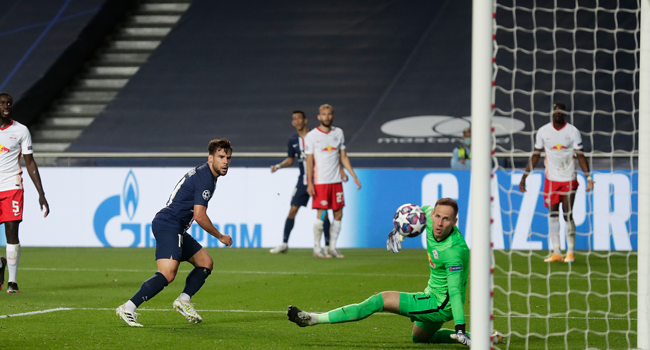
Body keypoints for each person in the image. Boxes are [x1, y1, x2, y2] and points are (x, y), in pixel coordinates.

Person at [288, 198, 503, 346]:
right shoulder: (428, 215)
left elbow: (456, 293)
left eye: (446, 219)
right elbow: (412, 218)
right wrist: (398, 232)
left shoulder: (455, 251)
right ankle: (484, 340)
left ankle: (313, 319)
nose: (439, 222)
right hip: (432, 294)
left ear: (455, 222)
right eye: (437, 216)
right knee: (420, 338)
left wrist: (459, 327)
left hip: (440, 304)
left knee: (377, 301)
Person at [116, 139, 234, 327]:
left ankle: (184, 300)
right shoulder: (206, 178)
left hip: (175, 226)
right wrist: (220, 236)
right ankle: (128, 307)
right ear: (210, 158)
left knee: (205, 263)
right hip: (168, 224)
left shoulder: (206, 174)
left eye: (228, 157)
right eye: (221, 157)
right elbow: (200, 216)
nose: (225, 161)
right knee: (167, 273)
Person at [519, 102, 594, 263]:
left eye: (560, 111)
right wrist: (524, 176)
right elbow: (536, 155)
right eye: (555, 110)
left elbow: (581, 155)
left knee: (567, 214)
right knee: (553, 214)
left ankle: (571, 252)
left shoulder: (572, 131)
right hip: (551, 180)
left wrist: (588, 178)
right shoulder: (543, 132)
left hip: (568, 178)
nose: (557, 113)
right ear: (552, 113)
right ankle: (557, 251)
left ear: (564, 113)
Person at [269, 111, 342, 255]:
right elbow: (290, 159)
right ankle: (284, 243)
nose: (297, 121)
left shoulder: (315, 136)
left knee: (324, 213)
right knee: (293, 210)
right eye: (294, 119)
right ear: (292, 122)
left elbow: (330, 156)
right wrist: (278, 166)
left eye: (299, 118)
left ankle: (327, 245)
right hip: (303, 181)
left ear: (305, 120)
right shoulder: (293, 140)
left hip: (320, 180)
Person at [0, 92, 49, 293]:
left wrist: (41, 193)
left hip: (12, 186)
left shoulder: (21, 130)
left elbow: (30, 162)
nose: (6, 106)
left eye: (9, 103)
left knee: (12, 232)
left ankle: (12, 281)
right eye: (2, 103)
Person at [304, 104, 361, 258]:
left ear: (333, 116)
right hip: (321, 182)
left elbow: (343, 156)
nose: (326, 117)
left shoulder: (338, 133)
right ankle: (317, 248)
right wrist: (309, 183)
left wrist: (353, 175)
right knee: (321, 215)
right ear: (319, 117)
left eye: (329, 114)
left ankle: (332, 247)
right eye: (324, 114)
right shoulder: (312, 136)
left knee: (338, 214)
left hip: (336, 182)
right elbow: (309, 161)